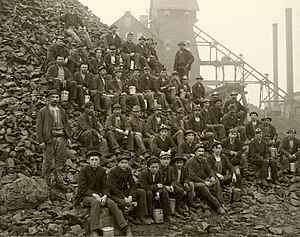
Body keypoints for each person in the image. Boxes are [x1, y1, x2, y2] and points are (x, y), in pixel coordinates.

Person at [74, 151, 133, 236]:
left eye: (96, 160)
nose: (94, 162)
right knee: (95, 202)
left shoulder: (102, 171)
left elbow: (105, 186)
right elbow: (82, 188)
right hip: (86, 195)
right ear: (88, 160)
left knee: (112, 203)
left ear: (99, 161)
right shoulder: (83, 171)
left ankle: (125, 227)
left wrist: (105, 196)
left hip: (101, 195)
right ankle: (94, 230)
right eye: (92, 160)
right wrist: (94, 195)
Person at [36, 90, 71, 190]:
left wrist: (68, 137)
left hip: (61, 138)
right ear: (48, 99)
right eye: (53, 97)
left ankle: (59, 181)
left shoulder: (61, 111)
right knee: (47, 162)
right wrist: (41, 141)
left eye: (57, 97)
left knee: (61, 161)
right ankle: (45, 182)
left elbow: (66, 125)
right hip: (49, 139)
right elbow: (38, 127)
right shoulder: (43, 111)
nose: (55, 99)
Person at [107, 155, 151, 225]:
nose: (124, 164)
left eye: (126, 163)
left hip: (124, 191)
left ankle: (140, 217)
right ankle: (126, 217)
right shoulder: (113, 172)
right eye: (122, 163)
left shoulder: (128, 170)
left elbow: (133, 184)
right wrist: (124, 198)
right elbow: (113, 188)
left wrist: (130, 195)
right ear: (118, 163)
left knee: (141, 192)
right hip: (114, 193)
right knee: (124, 203)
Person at [185, 144, 226, 214]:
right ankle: (218, 206)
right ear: (195, 152)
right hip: (192, 182)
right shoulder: (190, 162)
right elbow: (192, 176)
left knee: (215, 180)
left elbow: (209, 170)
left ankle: (221, 202)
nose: (201, 153)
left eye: (202, 151)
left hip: (202, 179)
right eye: (199, 151)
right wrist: (204, 182)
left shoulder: (204, 160)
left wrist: (212, 177)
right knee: (203, 186)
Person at [139, 156, 175, 223]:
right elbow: (144, 186)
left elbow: (161, 185)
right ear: (148, 167)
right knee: (149, 193)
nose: (155, 169)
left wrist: (158, 192)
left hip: (155, 189)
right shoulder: (144, 173)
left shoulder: (159, 172)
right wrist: (156, 186)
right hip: (147, 190)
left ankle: (168, 215)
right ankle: (148, 215)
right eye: (153, 167)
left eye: (157, 167)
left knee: (164, 191)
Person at [159, 152, 185, 217]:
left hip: (169, 186)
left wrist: (172, 186)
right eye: (164, 159)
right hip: (160, 187)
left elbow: (173, 179)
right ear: (160, 160)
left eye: (168, 159)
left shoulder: (170, 168)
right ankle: (168, 215)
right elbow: (157, 181)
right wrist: (165, 187)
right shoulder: (158, 168)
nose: (166, 161)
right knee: (164, 192)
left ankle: (176, 208)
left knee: (180, 190)